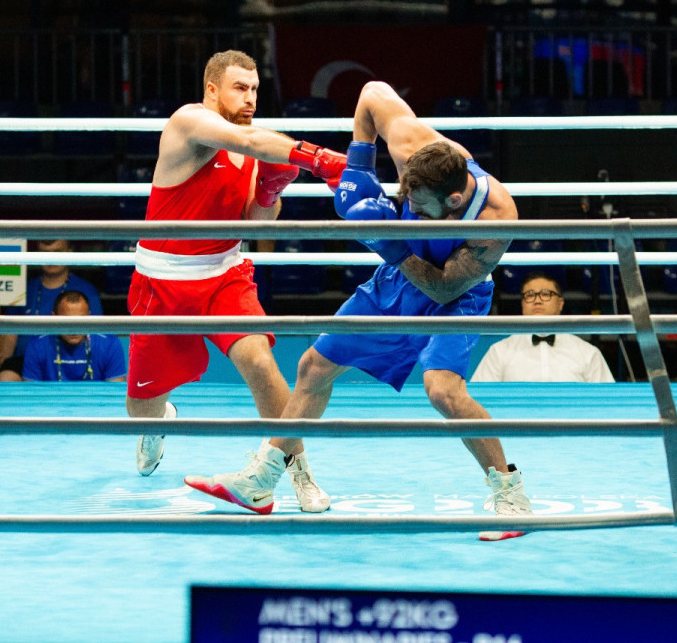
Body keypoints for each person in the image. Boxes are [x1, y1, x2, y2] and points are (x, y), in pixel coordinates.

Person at [185, 80, 532, 539]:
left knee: (443, 391)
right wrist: (361, 165)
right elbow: (372, 93)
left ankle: (511, 496)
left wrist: (386, 242)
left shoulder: (495, 219)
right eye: (404, 198)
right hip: (398, 278)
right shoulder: (414, 146)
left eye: (419, 207)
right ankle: (262, 482)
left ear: (453, 202)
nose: (408, 207)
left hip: (455, 291)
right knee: (314, 365)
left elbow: (446, 289)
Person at [127, 49, 346, 514]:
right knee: (139, 409)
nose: (249, 99)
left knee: (262, 365)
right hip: (162, 282)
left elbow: (259, 225)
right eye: (239, 88)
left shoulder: (253, 143)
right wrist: (319, 159)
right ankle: (157, 419)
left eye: (254, 90)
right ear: (211, 90)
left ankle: (297, 471)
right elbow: (256, 143)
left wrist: (270, 189)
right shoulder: (188, 122)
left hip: (224, 276)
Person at [0, 239, 103, 380]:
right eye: (45, 253)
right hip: (25, 360)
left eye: (57, 252)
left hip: (71, 359)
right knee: (5, 377)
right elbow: (10, 336)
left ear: (70, 252)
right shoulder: (21, 289)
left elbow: (97, 338)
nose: (51, 258)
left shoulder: (87, 291)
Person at [471, 272, 614, 383]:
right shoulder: (499, 351)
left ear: (560, 303)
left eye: (546, 294)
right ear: (522, 304)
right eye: (530, 295)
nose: (537, 300)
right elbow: (479, 399)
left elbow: (608, 401)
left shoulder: (588, 353)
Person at [12, 290, 126, 382]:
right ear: (54, 318)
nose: (74, 329)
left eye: (80, 321)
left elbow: (115, 394)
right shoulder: (37, 345)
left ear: (89, 317)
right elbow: (32, 396)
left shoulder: (109, 344)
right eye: (67, 321)